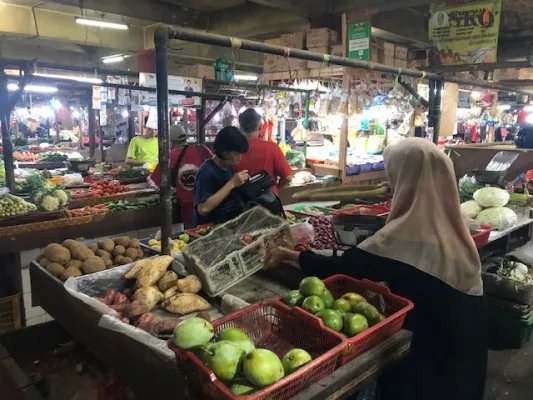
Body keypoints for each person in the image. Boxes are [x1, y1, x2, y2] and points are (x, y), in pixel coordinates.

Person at [264, 138, 487, 400]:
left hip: (431, 349)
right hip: (467, 339)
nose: (391, 184)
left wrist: (291, 256)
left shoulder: (407, 233)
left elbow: (348, 268)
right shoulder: (450, 221)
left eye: (395, 176)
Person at [149, 125, 212, 225]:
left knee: (192, 237)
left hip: (190, 212)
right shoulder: (202, 149)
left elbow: (155, 184)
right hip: (212, 205)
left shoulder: (169, 157)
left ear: (170, 142)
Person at [193, 126, 249, 226]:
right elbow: (203, 208)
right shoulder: (206, 171)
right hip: (207, 232)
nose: (240, 158)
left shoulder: (229, 168)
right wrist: (232, 183)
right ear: (225, 153)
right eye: (236, 154)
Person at [237, 108, 292, 194]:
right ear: (260, 127)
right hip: (269, 202)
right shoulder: (272, 148)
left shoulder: (233, 150)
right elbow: (288, 178)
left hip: (241, 202)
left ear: (240, 127)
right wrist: (275, 189)